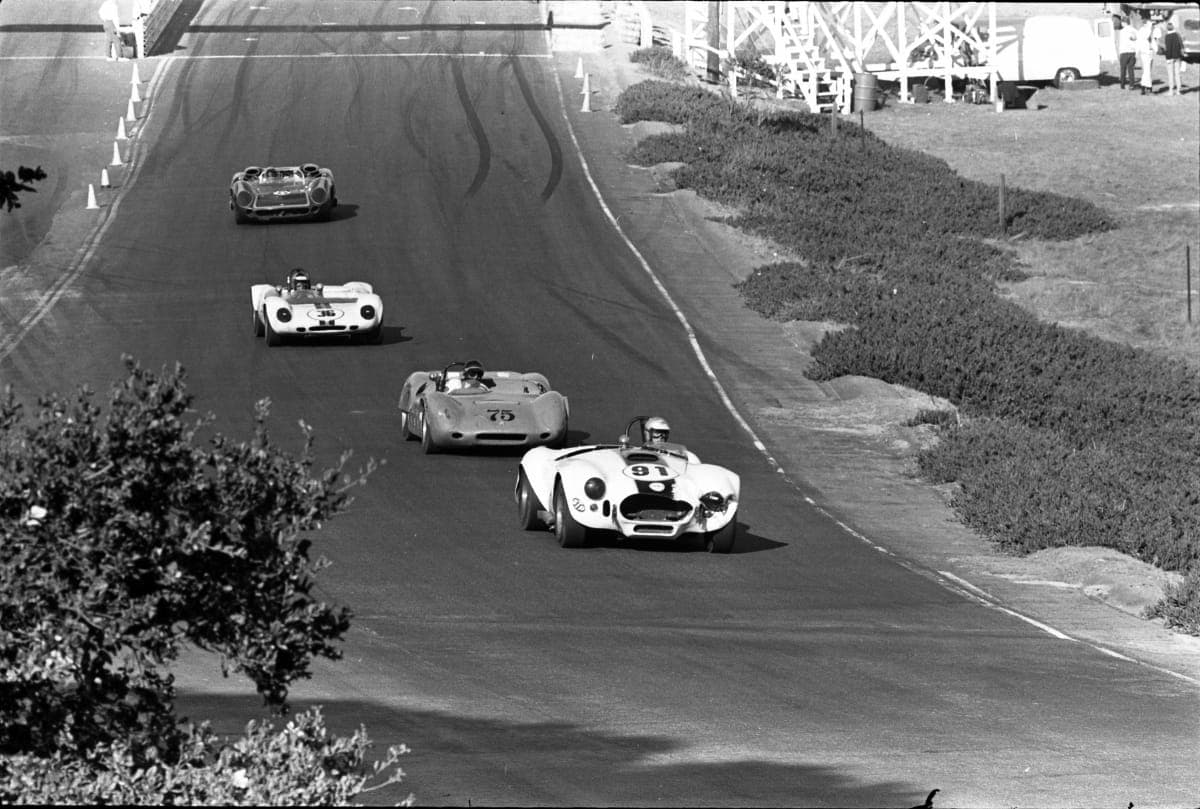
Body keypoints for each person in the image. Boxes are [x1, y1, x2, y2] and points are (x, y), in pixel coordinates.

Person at [1136, 17, 1159, 94]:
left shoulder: (1142, 30)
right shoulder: (1145, 31)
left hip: (1147, 52)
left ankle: (1143, 87)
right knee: (1147, 70)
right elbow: (1149, 39)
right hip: (1146, 52)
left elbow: (1153, 41)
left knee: (1146, 70)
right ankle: (1148, 87)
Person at [1162, 21, 1184, 96]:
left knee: (1171, 74)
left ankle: (1171, 90)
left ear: (1167, 29)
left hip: (1170, 58)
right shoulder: (1177, 35)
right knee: (1177, 74)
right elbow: (1181, 45)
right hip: (1177, 57)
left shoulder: (1167, 36)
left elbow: (1168, 49)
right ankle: (1178, 90)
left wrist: (1167, 58)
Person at [1117, 15, 1138, 90]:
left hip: (1124, 51)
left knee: (1123, 69)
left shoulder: (1122, 31)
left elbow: (1120, 43)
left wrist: (1119, 53)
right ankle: (1131, 85)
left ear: (1124, 22)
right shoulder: (1134, 30)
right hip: (1132, 52)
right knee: (1131, 69)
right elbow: (1136, 39)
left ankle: (1122, 84)